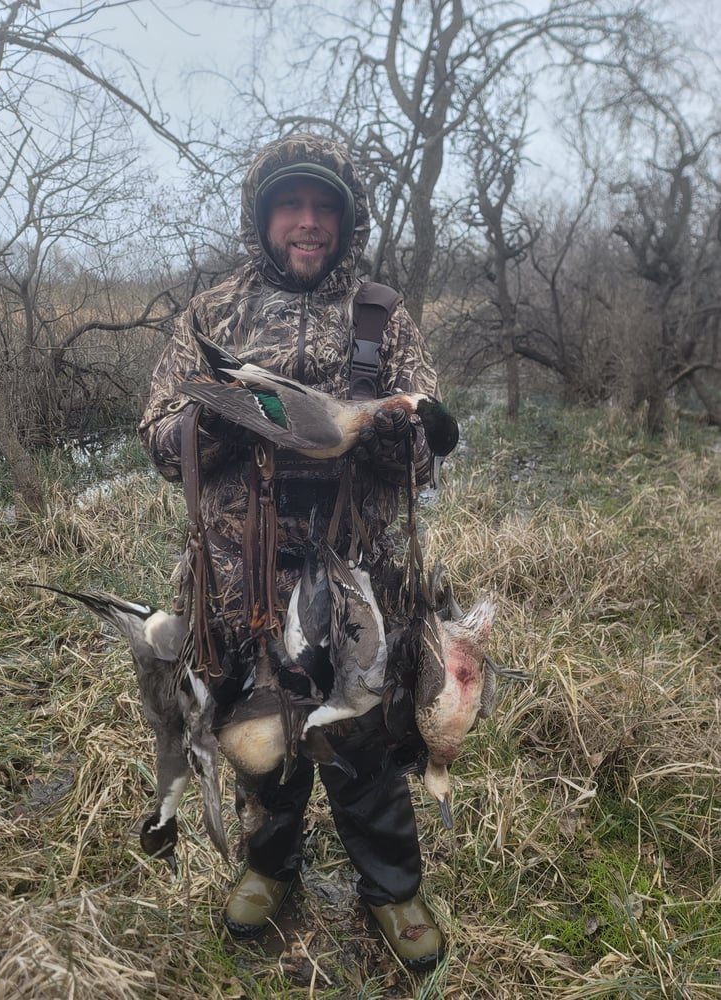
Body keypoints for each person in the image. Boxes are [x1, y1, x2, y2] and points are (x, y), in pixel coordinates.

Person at [139, 133, 447, 972]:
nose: (307, 223)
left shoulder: (382, 315)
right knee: (254, 727)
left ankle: (391, 885)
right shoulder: (212, 314)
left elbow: (430, 443)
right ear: (263, 216)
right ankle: (269, 864)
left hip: (356, 582)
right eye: (291, 205)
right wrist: (213, 421)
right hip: (241, 578)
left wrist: (397, 436)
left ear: (346, 221)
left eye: (324, 208)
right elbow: (159, 436)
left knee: (365, 735)